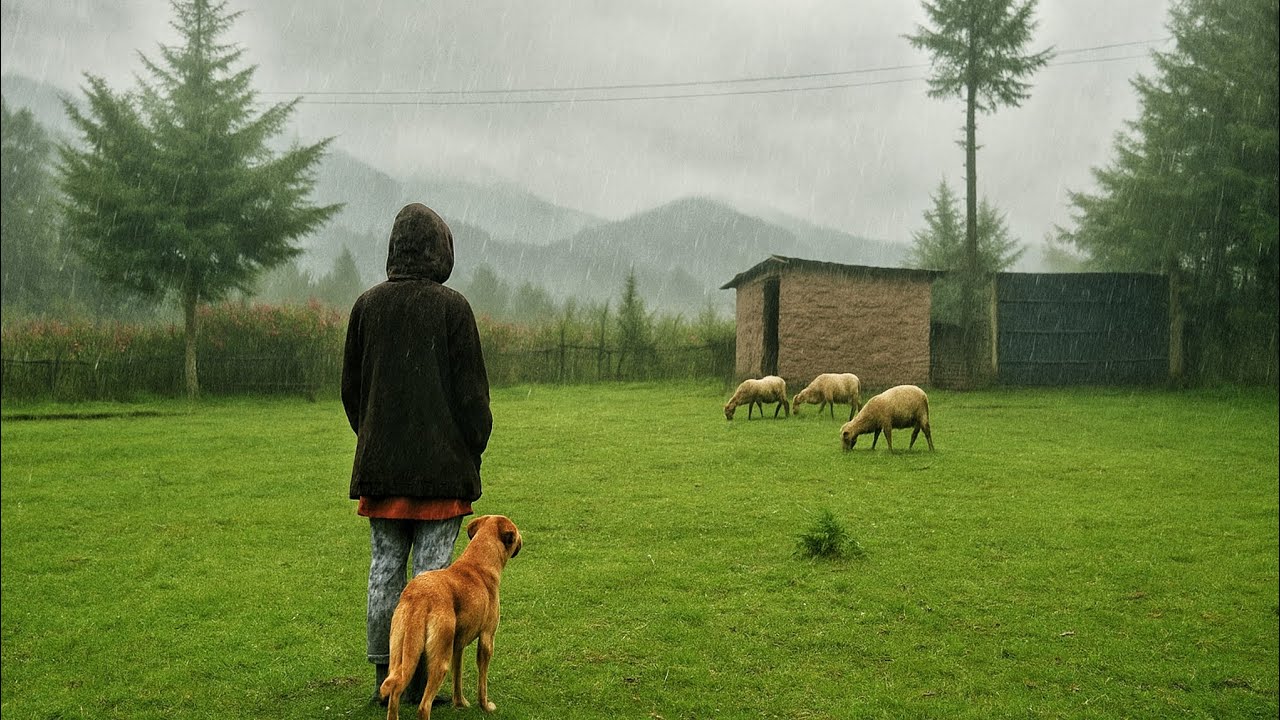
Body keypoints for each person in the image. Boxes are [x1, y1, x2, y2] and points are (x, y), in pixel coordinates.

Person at [341, 203, 493, 705]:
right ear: (440, 251)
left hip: (381, 469)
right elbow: (473, 399)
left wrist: (374, 438)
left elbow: (352, 393)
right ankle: (426, 679)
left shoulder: (366, 307)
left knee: (384, 570)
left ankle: (386, 677)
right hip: (442, 472)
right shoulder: (454, 310)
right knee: (433, 575)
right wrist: (472, 446)